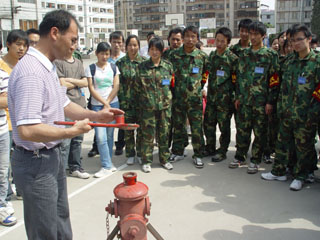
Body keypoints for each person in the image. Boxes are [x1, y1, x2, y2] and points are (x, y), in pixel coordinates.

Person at [8, 10, 123, 239]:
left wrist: (96, 115)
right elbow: (28, 130)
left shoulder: (49, 67)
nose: (74, 46)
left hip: (50, 157)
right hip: (35, 163)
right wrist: (72, 131)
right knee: (46, 232)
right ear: (54, 33)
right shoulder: (31, 71)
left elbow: (63, 105)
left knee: (60, 224)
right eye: (72, 40)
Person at [261, 24, 320, 191]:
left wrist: (312, 112)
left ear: (309, 39)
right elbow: (279, 85)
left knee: (303, 146)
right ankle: (278, 171)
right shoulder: (288, 61)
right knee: (282, 143)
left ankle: (300, 176)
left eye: (299, 39)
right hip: (286, 111)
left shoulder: (316, 62)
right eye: (292, 40)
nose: (295, 43)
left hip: (305, 114)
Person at [230, 21, 280, 174]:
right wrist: (238, 96)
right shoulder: (244, 55)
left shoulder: (270, 55)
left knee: (260, 132)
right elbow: (238, 77)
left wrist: (270, 101)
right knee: (242, 130)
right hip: (245, 100)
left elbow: (274, 79)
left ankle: (256, 159)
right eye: (251, 34)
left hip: (261, 102)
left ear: (263, 36)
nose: (252, 37)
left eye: (256, 34)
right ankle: (240, 156)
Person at [169, 26, 209, 168]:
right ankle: (178, 151)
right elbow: (168, 74)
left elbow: (205, 74)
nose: (190, 39)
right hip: (178, 98)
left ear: (197, 38)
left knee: (197, 127)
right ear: (183, 38)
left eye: (193, 36)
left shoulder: (202, 57)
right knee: (178, 126)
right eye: (187, 36)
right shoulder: (173, 55)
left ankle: (198, 154)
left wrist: (199, 88)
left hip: (195, 100)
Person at [135, 37, 174, 172]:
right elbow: (137, 87)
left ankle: (165, 159)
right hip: (148, 108)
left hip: (164, 107)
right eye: (152, 49)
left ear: (162, 51)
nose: (155, 52)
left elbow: (172, 86)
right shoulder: (142, 67)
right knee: (148, 135)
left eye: (157, 49)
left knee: (164, 134)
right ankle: (147, 160)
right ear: (149, 50)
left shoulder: (168, 66)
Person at [0, 30, 29, 203]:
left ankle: (19, 188)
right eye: (18, 44)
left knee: (18, 160)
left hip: (20, 121)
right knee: (4, 167)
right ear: (8, 44)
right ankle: (5, 199)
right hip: (6, 122)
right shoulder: (1, 67)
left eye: (24, 45)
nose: (21, 48)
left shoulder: (22, 66)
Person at [54, 44, 90, 179]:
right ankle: (61, 171)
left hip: (80, 104)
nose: (71, 46)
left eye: (74, 42)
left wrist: (70, 80)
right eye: (69, 42)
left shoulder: (79, 62)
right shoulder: (58, 62)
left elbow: (86, 82)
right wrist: (78, 82)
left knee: (78, 140)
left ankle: (75, 166)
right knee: (65, 142)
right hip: (66, 106)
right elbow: (61, 84)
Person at [204, 27, 238, 162]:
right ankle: (210, 147)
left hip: (225, 100)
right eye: (217, 40)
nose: (219, 43)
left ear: (228, 42)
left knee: (224, 127)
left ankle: (222, 150)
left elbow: (236, 81)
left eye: (222, 41)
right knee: (208, 124)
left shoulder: (233, 59)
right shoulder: (212, 56)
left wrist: (234, 98)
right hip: (212, 98)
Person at [86, 42, 120, 178]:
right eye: (102, 54)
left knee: (110, 135)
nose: (105, 56)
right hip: (97, 106)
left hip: (113, 104)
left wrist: (109, 103)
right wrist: (104, 103)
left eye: (107, 54)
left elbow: (116, 85)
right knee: (101, 137)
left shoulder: (113, 67)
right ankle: (107, 165)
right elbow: (91, 88)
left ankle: (108, 163)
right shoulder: (91, 68)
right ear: (97, 54)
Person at [116, 35, 146, 165]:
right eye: (130, 45)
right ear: (126, 46)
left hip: (141, 103)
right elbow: (118, 84)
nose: (132, 48)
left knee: (140, 129)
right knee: (128, 130)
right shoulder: (120, 63)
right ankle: (130, 153)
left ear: (138, 46)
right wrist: (121, 100)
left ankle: (139, 152)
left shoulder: (144, 63)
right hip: (126, 103)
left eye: (135, 45)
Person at [109, 31, 126, 156]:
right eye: (114, 42)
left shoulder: (124, 58)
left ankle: (120, 145)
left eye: (119, 42)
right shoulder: (105, 57)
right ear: (110, 42)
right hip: (106, 94)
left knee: (121, 120)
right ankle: (96, 146)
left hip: (122, 94)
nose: (116, 45)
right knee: (104, 119)